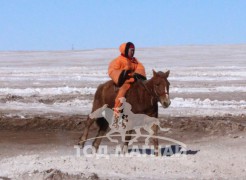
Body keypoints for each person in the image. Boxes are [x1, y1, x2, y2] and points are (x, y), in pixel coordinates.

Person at [108, 42, 146, 127]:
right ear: (125, 50)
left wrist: (137, 74)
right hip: (124, 82)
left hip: (134, 81)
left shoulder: (135, 61)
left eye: (133, 50)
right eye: (131, 50)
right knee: (121, 95)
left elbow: (140, 68)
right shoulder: (118, 60)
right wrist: (123, 73)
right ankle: (116, 117)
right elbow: (112, 70)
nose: (132, 52)